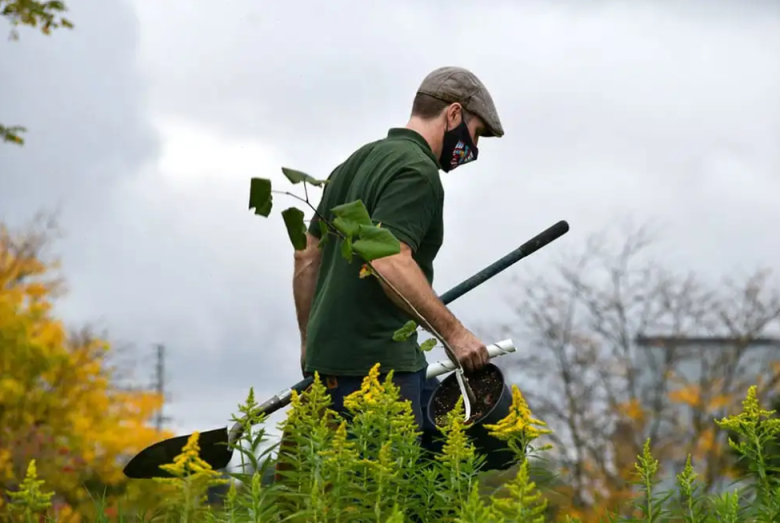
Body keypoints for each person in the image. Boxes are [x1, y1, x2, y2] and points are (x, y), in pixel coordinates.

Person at [291, 65, 505, 435]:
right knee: (386, 488)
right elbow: (389, 259)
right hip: (382, 371)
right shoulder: (417, 171)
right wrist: (456, 335)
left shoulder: (355, 163)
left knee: (331, 489)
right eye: (476, 134)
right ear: (453, 114)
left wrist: (312, 343)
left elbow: (307, 256)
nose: (474, 149)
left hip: (328, 371)